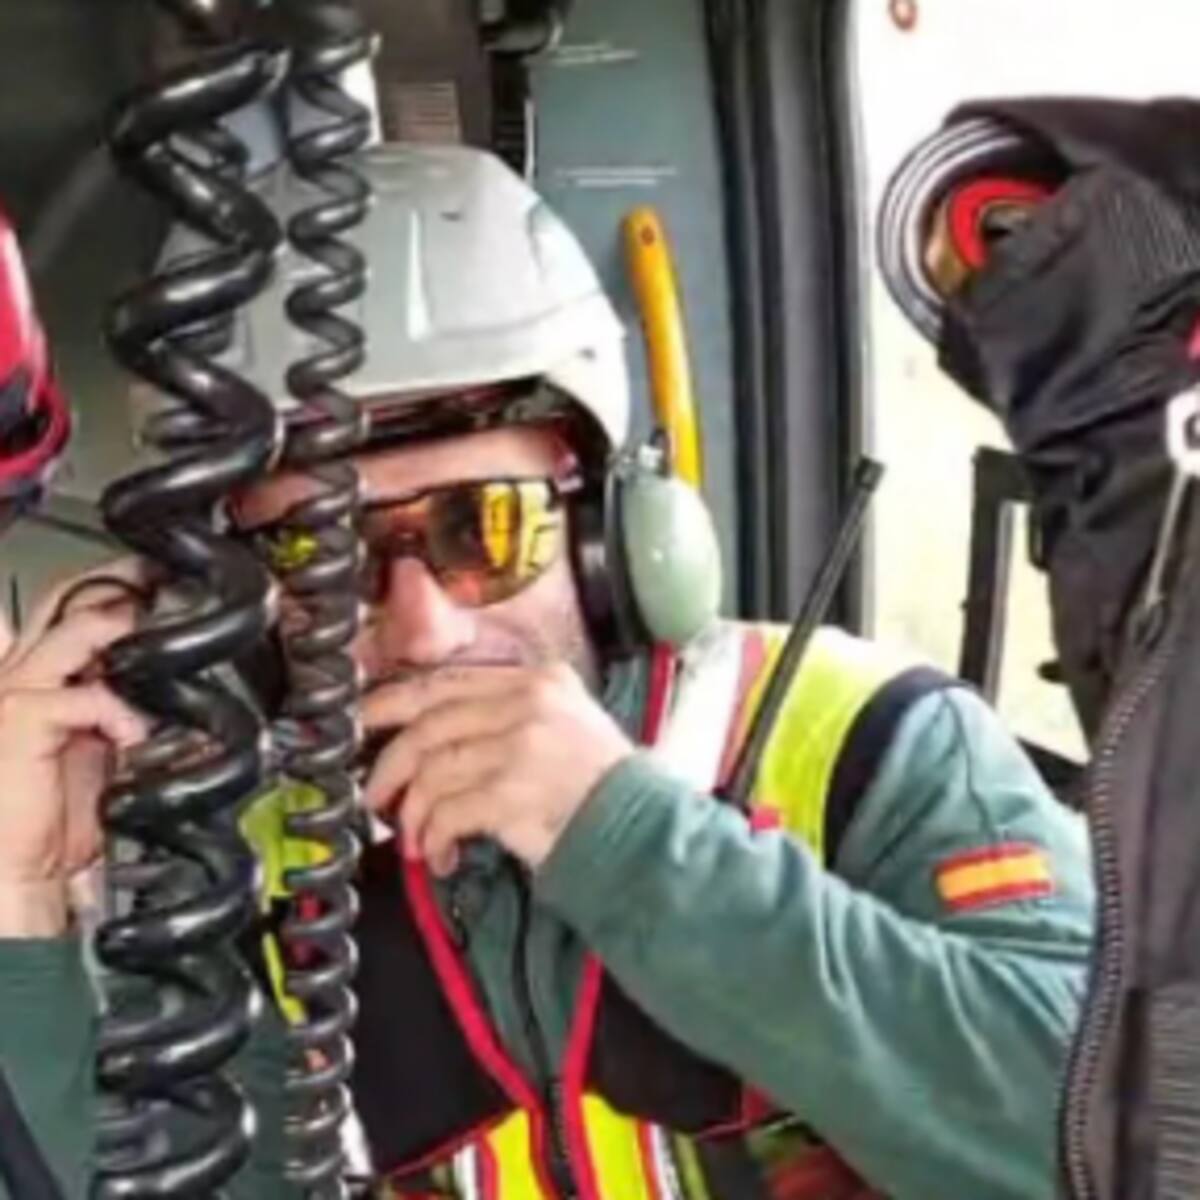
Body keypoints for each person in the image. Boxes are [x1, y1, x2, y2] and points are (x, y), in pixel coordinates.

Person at [0, 145, 1094, 1200]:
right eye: (318, 557)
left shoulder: (870, 739)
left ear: (613, 536)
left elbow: (1108, 1142)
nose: (425, 631)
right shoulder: (266, 852)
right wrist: (22, 898)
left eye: (487, 526)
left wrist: (620, 835)